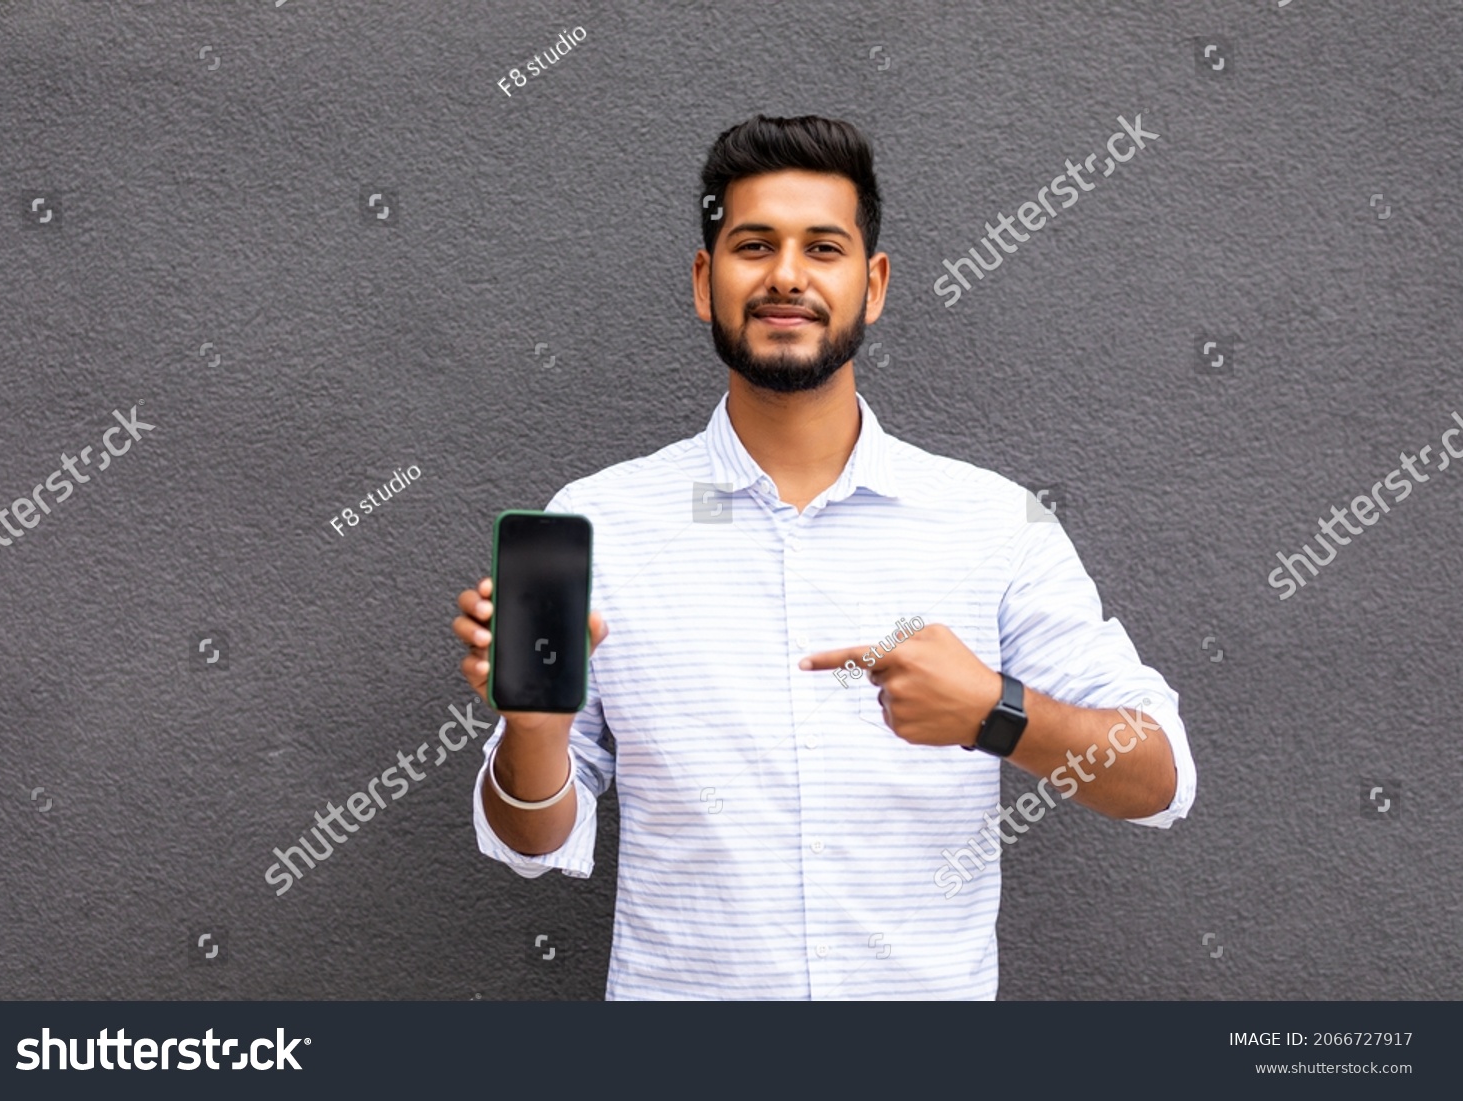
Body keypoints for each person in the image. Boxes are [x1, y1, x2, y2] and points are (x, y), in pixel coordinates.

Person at [453, 114, 1196, 999]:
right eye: (754, 245)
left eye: (825, 248)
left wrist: (996, 713)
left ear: (873, 284)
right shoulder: (599, 521)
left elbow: (1160, 776)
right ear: (705, 280)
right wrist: (534, 729)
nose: (788, 276)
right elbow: (532, 843)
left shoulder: (995, 522)